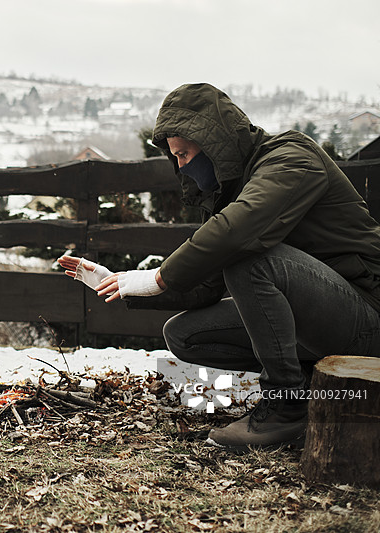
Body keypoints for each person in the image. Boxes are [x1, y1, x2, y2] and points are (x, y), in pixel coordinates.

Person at [58, 82, 380, 452]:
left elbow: (238, 231)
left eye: (185, 153)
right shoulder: (232, 188)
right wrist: (123, 284)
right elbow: (207, 285)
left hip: (368, 314)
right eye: (174, 157)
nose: (182, 166)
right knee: (185, 334)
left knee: (252, 260)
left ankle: (287, 404)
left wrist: (159, 277)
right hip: (321, 321)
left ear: (214, 140)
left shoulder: (292, 158)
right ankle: (306, 384)